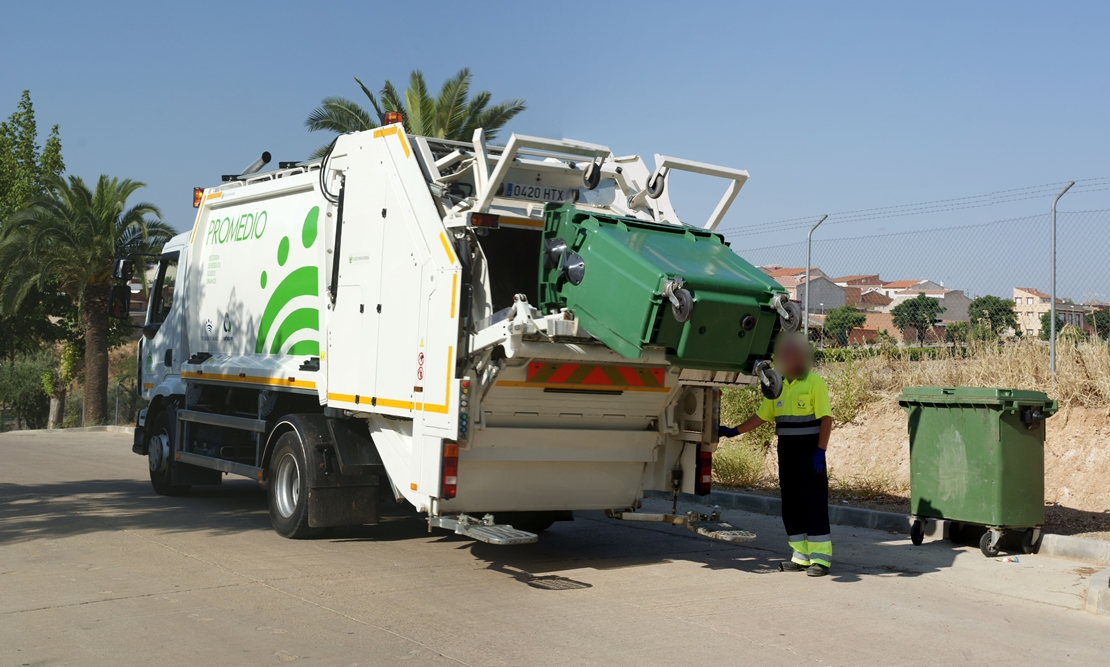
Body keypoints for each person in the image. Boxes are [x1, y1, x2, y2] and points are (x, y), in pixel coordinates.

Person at [719, 332, 834, 576]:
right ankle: (800, 556)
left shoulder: (815, 383)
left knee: (813, 504)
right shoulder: (777, 386)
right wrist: (734, 431)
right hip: (788, 454)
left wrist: (820, 452)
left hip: (810, 453)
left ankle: (820, 559)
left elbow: (826, 419)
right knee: (791, 504)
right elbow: (762, 416)